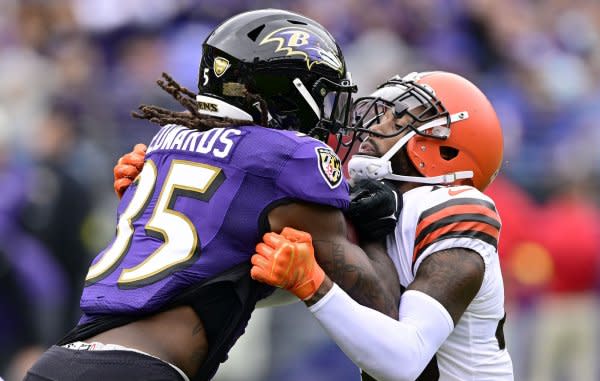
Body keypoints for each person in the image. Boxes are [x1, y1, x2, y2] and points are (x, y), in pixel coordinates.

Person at [24, 9, 400, 381]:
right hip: (143, 369)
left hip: (60, 360)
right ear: (286, 91)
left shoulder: (165, 141)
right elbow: (381, 309)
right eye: (323, 94)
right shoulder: (289, 157)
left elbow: (224, 275)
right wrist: (378, 226)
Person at [250, 71, 514, 380]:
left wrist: (312, 282)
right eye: (382, 116)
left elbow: (404, 361)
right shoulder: (375, 209)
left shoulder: (458, 208)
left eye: (398, 122)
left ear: (446, 150)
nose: (374, 128)